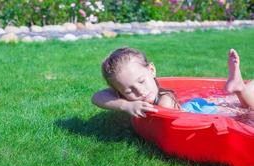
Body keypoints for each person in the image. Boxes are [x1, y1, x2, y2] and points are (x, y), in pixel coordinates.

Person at [91, 47, 254, 118]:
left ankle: (239, 88)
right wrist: (126, 105)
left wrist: (128, 102)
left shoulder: (164, 101)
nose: (139, 91)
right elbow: (97, 96)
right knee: (241, 106)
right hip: (195, 106)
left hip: (202, 112)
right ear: (120, 92)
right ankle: (240, 88)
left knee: (246, 113)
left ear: (152, 70)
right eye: (128, 91)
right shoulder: (134, 100)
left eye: (141, 81)